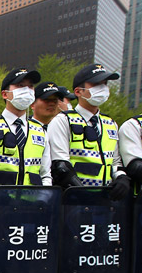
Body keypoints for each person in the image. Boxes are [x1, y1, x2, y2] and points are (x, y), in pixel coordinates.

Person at [47, 63, 129, 198]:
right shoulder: (63, 120)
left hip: (105, 199)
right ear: (78, 91)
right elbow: (61, 165)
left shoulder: (111, 123)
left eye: (104, 84)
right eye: (96, 84)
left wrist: (121, 177)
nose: (102, 89)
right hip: (73, 199)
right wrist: (84, 194)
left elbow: (115, 163)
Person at [0, 67, 52, 186]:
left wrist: (44, 196)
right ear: (5, 94)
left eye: (30, 86)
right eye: (20, 85)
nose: (26, 90)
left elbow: (45, 174)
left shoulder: (40, 131)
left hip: (33, 201)